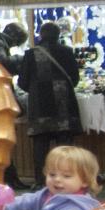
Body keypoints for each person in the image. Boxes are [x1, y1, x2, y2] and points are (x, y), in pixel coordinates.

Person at [18, 28, 80, 183]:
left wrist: (36, 89)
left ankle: (41, 183)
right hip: (64, 106)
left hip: (40, 106)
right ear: (58, 35)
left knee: (40, 147)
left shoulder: (30, 54)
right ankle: (67, 180)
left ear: (40, 35)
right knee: (65, 147)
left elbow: (22, 82)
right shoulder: (67, 51)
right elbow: (75, 78)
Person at [5, 144, 102, 210]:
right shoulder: (48, 194)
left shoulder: (74, 206)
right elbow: (26, 201)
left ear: (85, 181)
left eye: (66, 176)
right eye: (52, 174)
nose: (57, 179)